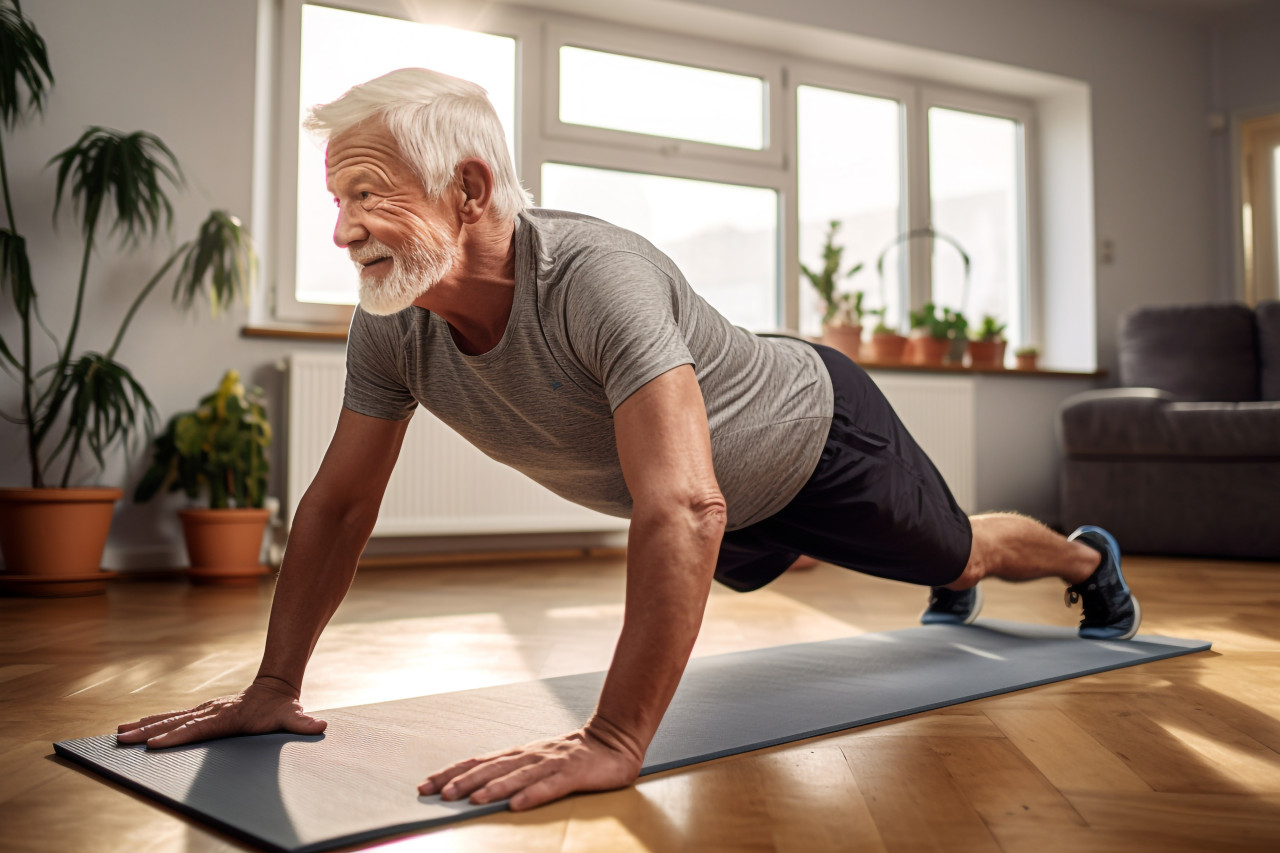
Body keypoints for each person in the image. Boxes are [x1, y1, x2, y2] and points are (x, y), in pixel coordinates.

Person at [116, 68, 1140, 812]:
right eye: (338, 198)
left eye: (372, 194)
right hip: (727, 489)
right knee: (735, 553)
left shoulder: (594, 276)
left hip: (816, 435)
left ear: (470, 190)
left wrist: (613, 740)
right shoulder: (393, 320)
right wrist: (273, 688)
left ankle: (1086, 557)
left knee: (954, 547)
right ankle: (880, 553)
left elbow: (686, 506)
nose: (343, 228)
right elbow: (339, 505)